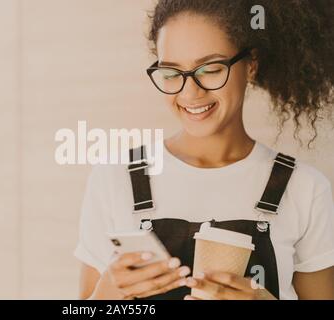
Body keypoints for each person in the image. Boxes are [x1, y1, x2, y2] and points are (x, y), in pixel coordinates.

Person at [74, 0, 334, 300]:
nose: (190, 92)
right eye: (172, 73)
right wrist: (107, 294)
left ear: (251, 65)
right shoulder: (113, 178)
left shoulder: (304, 189)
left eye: (210, 69)